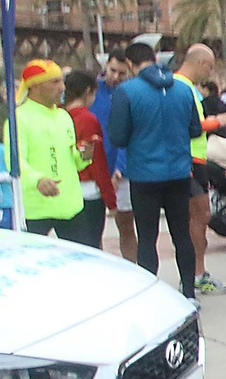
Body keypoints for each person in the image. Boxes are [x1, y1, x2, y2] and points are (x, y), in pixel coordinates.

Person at [110, 41, 202, 298]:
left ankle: (150, 291)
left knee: (147, 236)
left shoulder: (127, 91)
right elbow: (195, 129)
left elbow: (117, 136)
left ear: (130, 63)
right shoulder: (184, 90)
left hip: (144, 173)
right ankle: (189, 292)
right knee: (181, 233)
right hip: (178, 172)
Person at [174, 45, 226, 297]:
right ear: (201, 63)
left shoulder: (188, 88)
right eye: (209, 67)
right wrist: (217, 122)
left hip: (197, 159)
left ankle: (197, 272)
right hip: (190, 159)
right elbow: (191, 124)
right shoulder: (183, 87)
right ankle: (196, 274)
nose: (209, 73)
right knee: (198, 216)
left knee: (200, 216)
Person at [15, 60, 90, 241]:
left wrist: (84, 156)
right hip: (36, 209)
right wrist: (37, 179)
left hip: (70, 206)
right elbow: (15, 159)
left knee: (78, 263)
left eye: (61, 81)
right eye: (54, 82)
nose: (62, 87)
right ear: (36, 86)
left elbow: (73, 161)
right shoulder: (19, 118)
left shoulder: (64, 116)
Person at [92, 49, 138, 261]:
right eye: (112, 71)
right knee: (93, 229)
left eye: (121, 73)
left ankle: (134, 270)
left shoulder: (130, 93)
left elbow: (130, 133)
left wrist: (119, 167)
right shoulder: (92, 91)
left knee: (126, 225)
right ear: (105, 66)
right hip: (94, 167)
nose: (116, 77)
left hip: (123, 169)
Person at [64, 71, 115, 249]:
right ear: (88, 91)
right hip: (89, 190)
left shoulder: (59, 117)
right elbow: (97, 162)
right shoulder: (88, 119)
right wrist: (110, 198)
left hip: (66, 188)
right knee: (92, 244)